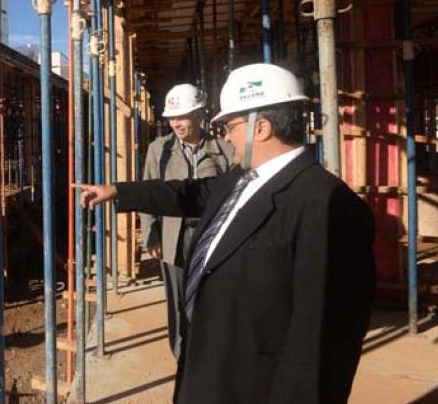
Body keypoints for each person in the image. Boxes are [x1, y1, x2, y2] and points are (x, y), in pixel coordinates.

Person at [79, 63, 375, 403]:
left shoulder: (328, 207)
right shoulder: (241, 180)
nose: (225, 136)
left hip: (253, 385)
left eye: (231, 126)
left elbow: (323, 343)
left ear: (261, 128)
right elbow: (186, 192)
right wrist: (118, 191)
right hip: (212, 370)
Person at [141, 83, 232, 360]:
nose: (176, 123)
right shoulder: (159, 150)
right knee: (179, 301)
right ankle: (183, 355)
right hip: (174, 237)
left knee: (213, 296)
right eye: (172, 117)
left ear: (199, 114)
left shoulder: (223, 150)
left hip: (212, 236)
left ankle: (211, 353)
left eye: (182, 116)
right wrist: (151, 233)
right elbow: (148, 193)